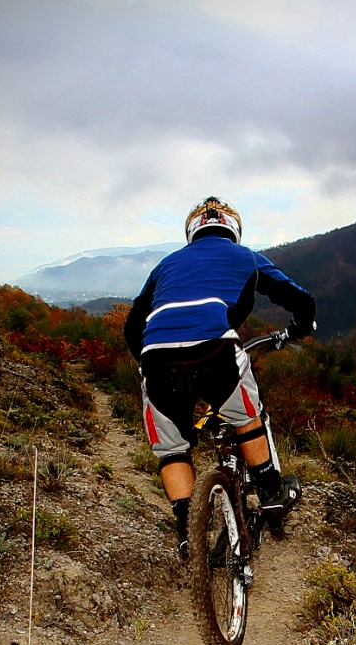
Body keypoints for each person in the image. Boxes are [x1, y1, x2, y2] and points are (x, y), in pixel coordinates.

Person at [123, 196, 315, 558]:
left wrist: (148, 361)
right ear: (233, 228)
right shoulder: (246, 257)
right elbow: (298, 298)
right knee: (246, 415)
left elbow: (134, 324)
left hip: (157, 359)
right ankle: (271, 489)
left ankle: (187, 533)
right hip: (214, 351)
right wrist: (300, 326)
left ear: (192, 231)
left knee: (172, 450)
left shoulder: (167, 264)